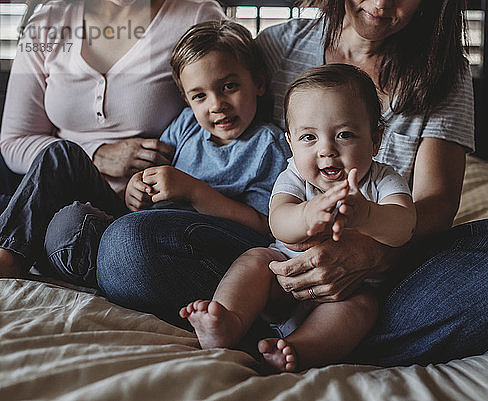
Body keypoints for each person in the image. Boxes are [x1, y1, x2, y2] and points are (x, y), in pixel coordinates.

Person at [98, 0, 488, 368]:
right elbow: (229, 139)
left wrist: (367, 250)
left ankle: (308, 342)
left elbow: (433, 207)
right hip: (275, 262)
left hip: (387, 276)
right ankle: (272, 331)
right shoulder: (277, 49)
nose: (381, 4)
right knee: (127, 247)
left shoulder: (443, 74)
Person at [0, 20, 289, 286]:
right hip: (130, 222)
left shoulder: (269, 146)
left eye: (229, 87)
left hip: (177, 243)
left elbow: (264, 227)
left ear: (259, 83)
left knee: (72, 227)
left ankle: (76, 258)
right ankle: (10, 254)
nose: (216, 104)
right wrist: (135, 189)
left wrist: (195, 192)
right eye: (200, 95)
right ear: (186, 100)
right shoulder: (187, 125)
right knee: (61, 154)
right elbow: (148, 175)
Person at [180, 64, 416, 373]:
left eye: (345, 134)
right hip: (285, 282)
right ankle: (227, 321)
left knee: (364, 306)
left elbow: (404, 226)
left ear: (375, 139)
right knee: (255, 260)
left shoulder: (383, 179)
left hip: (348, 290)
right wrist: (308, 213)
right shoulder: (293, 177)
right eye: (309, 137)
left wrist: (368, 215)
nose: (327, 150)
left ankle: (299, 349)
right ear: (290, 143)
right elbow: (278, 222)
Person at [0, 0, 224, 197]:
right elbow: (15, 141)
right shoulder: (47, 23)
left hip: (145, 202)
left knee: (68, 223)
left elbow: (228, 113)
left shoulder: (197, 17)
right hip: (56, 190)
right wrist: (96, 155)